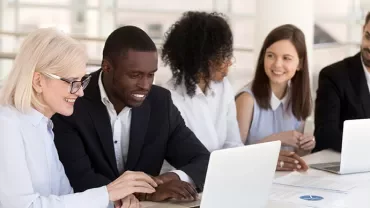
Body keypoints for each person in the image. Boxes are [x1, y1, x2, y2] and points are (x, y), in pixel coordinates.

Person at [0, 28, 157, 208]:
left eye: (82, 81)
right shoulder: (6, 127)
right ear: (38, 81)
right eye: (73, 82)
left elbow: (64, 197)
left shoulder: (43, 127)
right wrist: (107, 193)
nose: (80, 92)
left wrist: (112, 201)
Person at [51, 26, 210, 203]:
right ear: (107, 67)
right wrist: (147, 192)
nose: (145, 85)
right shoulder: (72, 101)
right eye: (135, 75)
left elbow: (204, 161)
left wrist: (168, 179)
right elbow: (80, 179)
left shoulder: (160, 103)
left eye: (151, 75)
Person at [161, 11, 242, 154]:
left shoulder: (224, 87)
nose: (229, 61)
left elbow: (233, 143)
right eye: (222, 56)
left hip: (223, 171)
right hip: (186, 175)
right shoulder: (169, 98)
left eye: (227, 53)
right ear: (200, 60)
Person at [235, 24, 314, 171]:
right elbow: (234, 155)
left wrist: (306, 144)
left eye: (286, 58)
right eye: (271, 55)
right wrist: (280, 137)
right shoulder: (246, 100)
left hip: (285, 180)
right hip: (251, 177)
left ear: (300, 64)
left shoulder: (297, 99)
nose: (277, 64)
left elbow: (297, 155)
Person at [314, 12, 370, 152]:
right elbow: (325, 135)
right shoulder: (334, 76)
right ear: (363, 30)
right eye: (368, 37)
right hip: (341, 163)